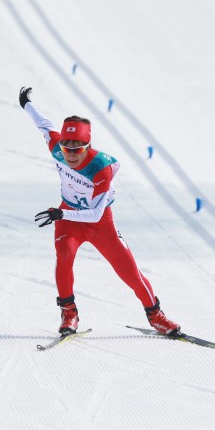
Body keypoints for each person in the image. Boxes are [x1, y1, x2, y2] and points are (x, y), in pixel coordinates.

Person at [19, 87, 180, 337]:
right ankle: (69, 313)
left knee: (130, 274)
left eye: (77, 149)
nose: (70, 154)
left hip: (99, 223)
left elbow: (94, 215)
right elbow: (44, 125)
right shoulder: (57, 147)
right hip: (69, 218)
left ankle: (156, 316)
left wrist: (61, 215)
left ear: (88, 146)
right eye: (66, 147)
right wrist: (27, 104)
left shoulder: (100, 168)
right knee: (63, 255)